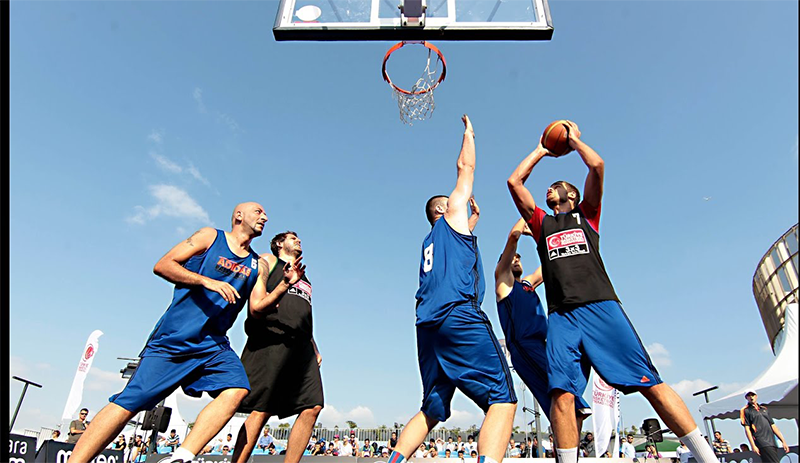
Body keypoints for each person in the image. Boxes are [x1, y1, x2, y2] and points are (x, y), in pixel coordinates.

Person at [507, 121, 718, 463]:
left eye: (556, 185)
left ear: (571, 196)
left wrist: (573, 141)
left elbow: (597, 165)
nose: (550, 188)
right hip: (561, 316)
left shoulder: (587, 216)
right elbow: (514, 182)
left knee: (650, 383)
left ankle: (707, 458)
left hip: (601, 308)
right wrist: (543, 150)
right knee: (562, 396)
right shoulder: (540, 223)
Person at [68, 202, 272, 463]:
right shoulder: (210, 237)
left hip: (213, 345)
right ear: (238, 216)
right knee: (130, 402)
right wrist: (206, 281)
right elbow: (164, 265)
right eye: (259, 212)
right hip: (174, 339)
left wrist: (283, 287)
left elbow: (256, 307)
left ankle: (181, 457)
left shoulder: (257, 264)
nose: (265, 217)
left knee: (238, 389)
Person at [389, 114, 516, 463]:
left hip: (426, 326)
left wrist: (472, 224)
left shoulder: (431, 240)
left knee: (431, 409)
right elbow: (465, 169)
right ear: (444, 209)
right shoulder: (450, 216)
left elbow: (460, 251)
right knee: (503, 401)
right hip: (458, 316)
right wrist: (470, 134)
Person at [494, 218, 592, 437]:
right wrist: (527, 216)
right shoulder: (504, 284)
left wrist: (545, 234)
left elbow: (552, 261)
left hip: (545, 346)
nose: (517, 259)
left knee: (564, 410)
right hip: (525, 349)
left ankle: (566, 452)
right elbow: (512, 239)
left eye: (519, 258)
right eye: (513, 258)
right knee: (570, 403)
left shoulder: (528, 284)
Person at [231, 229, 320, 463]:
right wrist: (282, 283)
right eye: (292, 238)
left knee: (313, 407)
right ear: (279, 244)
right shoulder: (268, 261)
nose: (298, 240)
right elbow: (256, 307)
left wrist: (314, 346)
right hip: (271, 338)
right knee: (262, 410)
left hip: (301, 345)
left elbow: (301, 314)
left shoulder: (305, 277)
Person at [741, 389, 790, 462]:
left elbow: (773, 426)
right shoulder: (745, 410)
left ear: (756, 396)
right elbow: (747, 429)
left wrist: (783, 441)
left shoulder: (764, 409)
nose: (751, 397)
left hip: (772, 441)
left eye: (753, 395)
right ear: (746, 398)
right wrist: (753, 445)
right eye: (749, 395)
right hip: (761, 441)